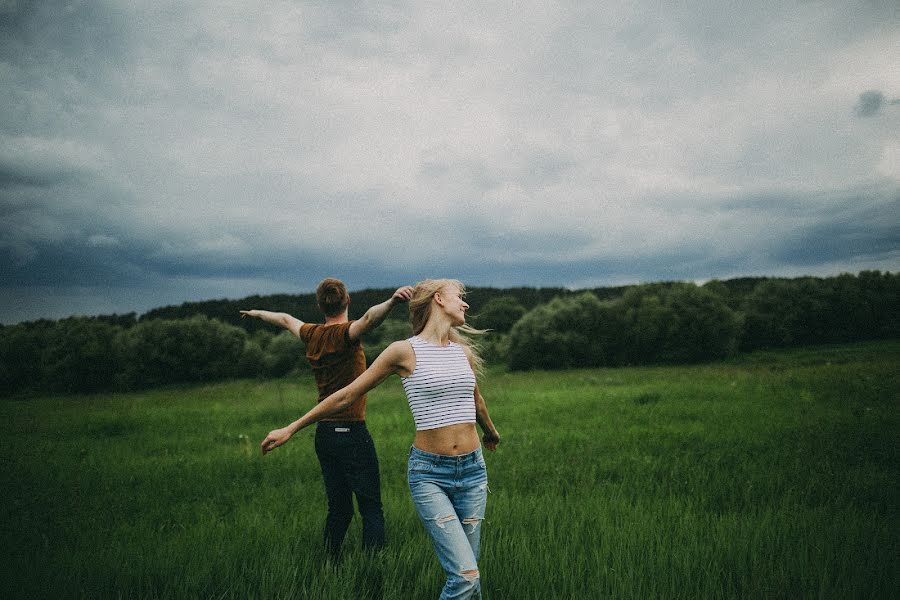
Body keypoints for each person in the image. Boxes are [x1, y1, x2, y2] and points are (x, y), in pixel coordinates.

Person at [261, 279, 501, 599]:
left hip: (473, 471)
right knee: (466, 576)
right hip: (430, 474)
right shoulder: (403, 351)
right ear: (439, 299)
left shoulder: (462, 353)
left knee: (470, 570)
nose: (466, 304)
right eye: (461, 297)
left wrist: (491, 432)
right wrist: (292, 427)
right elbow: (346, 396)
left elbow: (476, 399)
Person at [241, 278, 414, 560]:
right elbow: (370, 318)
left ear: (319, 305)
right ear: (347, 301)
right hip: (353, 432)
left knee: (339, 508)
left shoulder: (312, 334)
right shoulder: (346, 334)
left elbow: (285, 320)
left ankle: (329, 562)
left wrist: (257, 313)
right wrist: (394, 301)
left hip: (325, 435)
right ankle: (374, 568)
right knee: (371, 508)